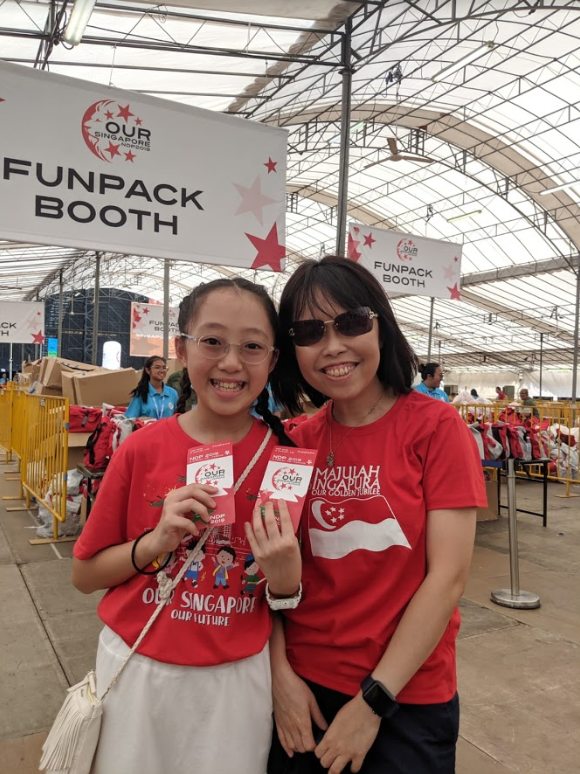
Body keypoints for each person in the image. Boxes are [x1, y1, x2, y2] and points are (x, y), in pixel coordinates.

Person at [71, 278, 302, 774]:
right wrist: (155, 541)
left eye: (253, 346)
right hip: (137, 669)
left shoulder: (284, 464)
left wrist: (286, 579)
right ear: (180, 349)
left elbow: (284, 600)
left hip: (236, 681)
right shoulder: (140, 449)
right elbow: (85, 574)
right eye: (213, 341)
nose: (232, 362)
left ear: (273, 359)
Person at [269, 256, 487, 774]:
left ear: (381, 327)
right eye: (308, 331)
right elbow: (268, 579)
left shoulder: (436, 428)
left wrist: (372, 703)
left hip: (406, 695)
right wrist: (280, 678)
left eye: (350, 323)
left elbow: (448, 579)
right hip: (304, 693)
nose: (333, 346)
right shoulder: (294, 443)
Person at [125, 356, 178, 420]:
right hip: (147, 429)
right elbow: (130, 419)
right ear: (148, 370)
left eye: (164, 368)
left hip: (167, 430)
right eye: (157, 367)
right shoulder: (140, 393)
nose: (162, 370)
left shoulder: (172, 393)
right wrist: (141, 419)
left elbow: (177, 418)